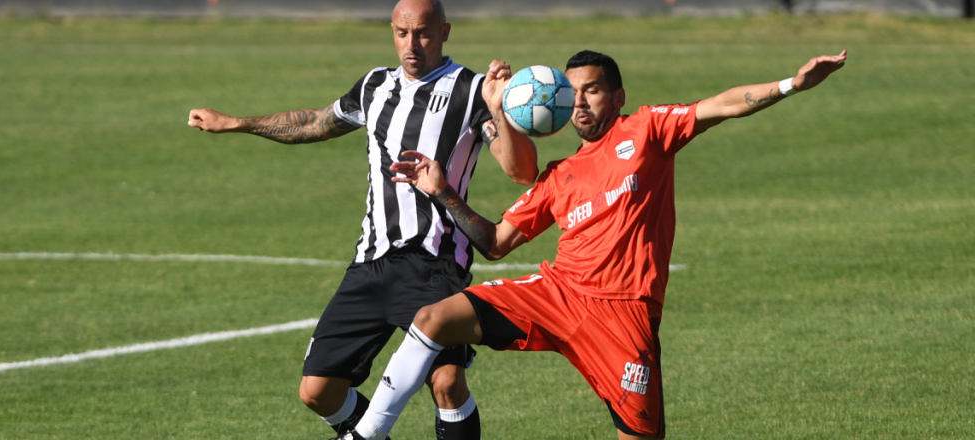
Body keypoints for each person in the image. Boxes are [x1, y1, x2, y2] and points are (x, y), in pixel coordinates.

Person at [339, 49, 848, 440]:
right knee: (433, 318)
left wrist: (792, 84)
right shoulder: (559, 177)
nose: (580, 102)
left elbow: (721, 105)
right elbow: (494, 243)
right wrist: (444, 192)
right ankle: (368, 434)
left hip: (624, 318)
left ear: (618, 97)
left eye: (594, 91)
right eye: (574, 92)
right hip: (558, 295)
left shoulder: (646, 131)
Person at [187, 1, 539, 439]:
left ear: (445, 32)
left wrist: (500, 109)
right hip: (370, 262)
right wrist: (236, 123)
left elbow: (522, 171)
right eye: (401, 32)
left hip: (434, 264)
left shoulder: (471, 90)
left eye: (423, 33)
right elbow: (316, 123)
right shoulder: (375, 85)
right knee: (317, 391)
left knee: (447, 383)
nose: (411, 45)